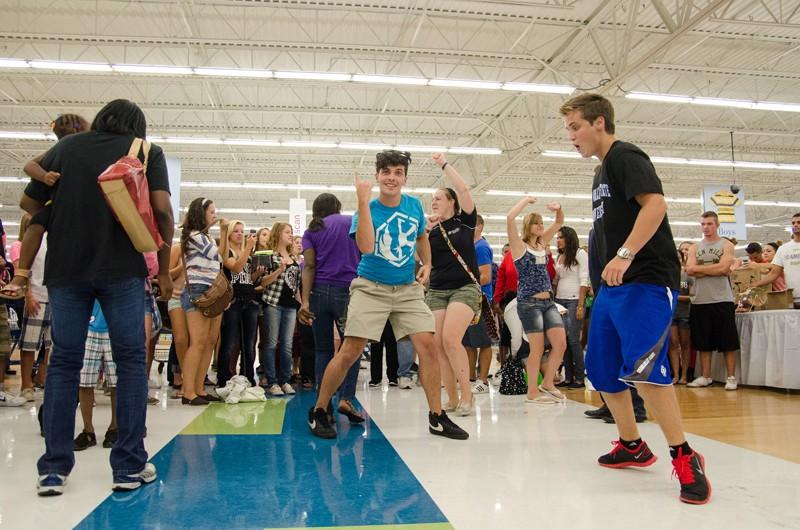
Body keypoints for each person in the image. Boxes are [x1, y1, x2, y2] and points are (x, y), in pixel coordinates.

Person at [560, 93, 710, 504]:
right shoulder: (600, 174)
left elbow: (656, 205)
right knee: (602, 369)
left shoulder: (626, 156)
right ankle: (632, 444)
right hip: (613, 288)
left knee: (645, 370)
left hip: (645, 279)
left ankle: (685, 456)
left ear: (599, 123)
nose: (571, 136)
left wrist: (625, 255)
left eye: (575, 127)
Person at [22, 99, 174, 496]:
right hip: (121, 269)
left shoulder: (67, 148)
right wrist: (163, 265)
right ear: (136, 127)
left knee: (63, 363)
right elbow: (161, 211)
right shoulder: (144, 151)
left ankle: (53, 470)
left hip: (66, 270)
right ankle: (128, 466)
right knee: (130, 362)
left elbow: (30, 202)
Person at [308, 150, 468, 440]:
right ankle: (319, 409)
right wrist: (361, 200)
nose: (392, 178)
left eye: (397, 172)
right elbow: (367, 247)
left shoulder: (413, 206)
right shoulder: (365, 208)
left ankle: (436, 416)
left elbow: (420, 236)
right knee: (349, 352)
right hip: (371, 288)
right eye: (386, 172)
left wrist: (428, 263)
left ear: (405, 177)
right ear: (377, 176)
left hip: (406, 288)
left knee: (429, 346)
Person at [298, 192, 363, 422]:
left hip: (318, 293)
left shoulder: (311, 231)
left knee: (323, 350)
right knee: (351, 349)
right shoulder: (351, 223)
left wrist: (305, 301)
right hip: (349, 292)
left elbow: (309, 267)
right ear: (338, 206)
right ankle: (346, 398)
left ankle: (323, 404)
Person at [425, 153, 481, 415]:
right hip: (437, 289)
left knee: (450, 339)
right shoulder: (431, 231)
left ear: (451, 202)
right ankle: (452, 399)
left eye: (438, 197)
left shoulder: (464, 222)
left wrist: (444, 164)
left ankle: (467, 396)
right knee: (437, 346)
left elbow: (463, 188)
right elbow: (424, 261)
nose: (434, 202)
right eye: (432, 199)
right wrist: (423, 234)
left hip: (464, 287)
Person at [505, 196, 567, 404]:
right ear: (528, 226)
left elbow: (559, 222)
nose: (541, 225)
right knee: (537, 349)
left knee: (560, 343)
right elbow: (509, 217)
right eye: (536, 222)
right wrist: (525, 201)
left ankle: (547, 382)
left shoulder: (542, 243)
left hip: (548, 301)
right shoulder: (519, 246)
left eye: (541, 222)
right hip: (528, 303)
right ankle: (532, 391)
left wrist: (558, 209)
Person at [685, 212, 739, 390]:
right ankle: (706, 376)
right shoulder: (694, 247)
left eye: (709, 224)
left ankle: (731, 377)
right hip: (700, 300)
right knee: (703, 342)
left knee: (728, 341)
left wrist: (701, 270)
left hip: (722, 299)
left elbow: (725, 269)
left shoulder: (727, 244)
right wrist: (713, 269)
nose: (706, 227)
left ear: (717, 225)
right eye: (703, 224)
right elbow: (689, 270)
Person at [180, 197, 225, 406]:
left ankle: (198, 387)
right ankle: (187, 391)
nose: (214, 215)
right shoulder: (194, 235)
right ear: (201, 213)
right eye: (211, 212)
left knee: (209, 341)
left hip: (211, 291)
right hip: (197, 291)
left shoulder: (204, 236)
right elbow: (216, 255)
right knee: (197, 341)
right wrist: (223, 233)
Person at [259, 222, 300, 396]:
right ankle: (272, 380)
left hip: (291, 306)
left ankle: (285, 380)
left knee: (287, 345)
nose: (290, 235)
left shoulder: (294, 258)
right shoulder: (270, 256)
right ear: (278, 234)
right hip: (273, 303)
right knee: (270, 343)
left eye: (291, 232)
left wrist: (302, 304)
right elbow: (262, 282)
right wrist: (278, 271)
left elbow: (296, 285)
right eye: (287, 232)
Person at [218, 221, 259, 389]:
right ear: (229, 233)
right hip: (232, 299)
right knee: (229, 341)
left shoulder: (246, 253)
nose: (240, 234)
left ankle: (248, 376)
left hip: (249, 298)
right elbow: (235, 268)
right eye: (236, 231)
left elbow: (249, 277)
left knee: (249, 342)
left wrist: (259, 272)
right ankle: (223, 377)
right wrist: (248, 248)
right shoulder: (226, 251)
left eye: (242, 231)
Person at [74, 301, 119, 451]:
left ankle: (115, 427)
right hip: (88, 327)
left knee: (116, 383)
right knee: (84, 381)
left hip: (115, 327)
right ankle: (88, 431)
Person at [554, 225, 589, 389]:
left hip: (575, 301)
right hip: (560, 301)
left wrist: (581, 305)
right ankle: (568, 377)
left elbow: (584, 279)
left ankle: (580, 378)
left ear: (569, 238)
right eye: (557, 237)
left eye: (561, 237)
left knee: (574, 340)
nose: (558, 240)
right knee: (564, 341)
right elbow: (556, 280)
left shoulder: (580, 254)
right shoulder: (559, 257)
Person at [463, 214, 494, 394]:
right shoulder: (470, 247)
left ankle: (483, 380)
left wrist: (464, 282)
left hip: (480, 300)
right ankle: (471, 378)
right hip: (468, 299)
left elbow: (486, 276)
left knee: (484, 342)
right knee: (468, 343)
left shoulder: (481, 247)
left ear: (480, 226)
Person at [754, 217, 800, 304]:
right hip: (792, 297)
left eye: (799, 222)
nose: (795, 225)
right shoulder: (783, 249)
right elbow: (774, 273)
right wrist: (755, 284)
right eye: (793, 223)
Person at [670, 243, 694, 384]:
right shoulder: (667, 275)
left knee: (685, 344)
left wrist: (676, 297)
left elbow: (693, 295)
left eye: (679, 257)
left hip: (685, 313)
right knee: (673, 344)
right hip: (671, 313)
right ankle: (676, 374)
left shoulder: (688, 274)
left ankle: (685, 375)